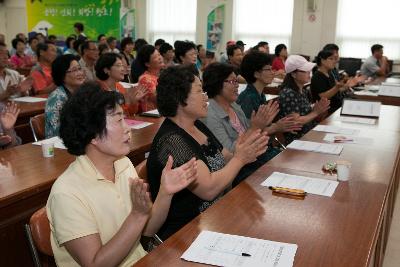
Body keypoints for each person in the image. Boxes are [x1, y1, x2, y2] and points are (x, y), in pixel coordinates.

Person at [47, 83, 198, 266]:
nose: (128, 129)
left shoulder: (123, 164)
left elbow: (147, 231)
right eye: (119, 121)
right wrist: (137, 214)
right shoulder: (66, 193)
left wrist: (166, 193)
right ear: (93, 135)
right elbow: (95, 263)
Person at [146, 65, 269, 240]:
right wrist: (240, 158)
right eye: (199, 92)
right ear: (180, 99)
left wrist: (242, 149)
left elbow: (224, 156)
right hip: (185, 232)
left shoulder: (196, 125)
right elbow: (209, 189)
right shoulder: (172, 141)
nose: (206, 98)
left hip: (214, 216)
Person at [202, 63, 301, 184]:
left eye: (237, 81)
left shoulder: (234, 105)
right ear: (217, 84)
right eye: (233, 82)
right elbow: (229, 155)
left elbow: (250, 134)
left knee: (293, 166)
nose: (238, 85)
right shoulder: (210, 115)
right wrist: (256, 127)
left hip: (253, 160)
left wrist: (265, 126)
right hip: (237, 172)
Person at [279, 55, 330, 144]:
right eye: (305, 71)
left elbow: (306, 114)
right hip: (297, 140)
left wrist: (318, 110)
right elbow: (296, 121)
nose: (309, 74)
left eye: (309, 71)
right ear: (293, 74)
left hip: (308, 134)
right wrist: (316, 112)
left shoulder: (303, 91)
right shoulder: (289, 93)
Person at [45, 55, 85, 138]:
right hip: (60, 145)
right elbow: (57, 131)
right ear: (62, 75)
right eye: (74, 70)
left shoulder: (83, 93)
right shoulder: (56, 98)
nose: (80, 73)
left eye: (79, 69)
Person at [136, 45, 165, 113]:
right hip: (152, 117)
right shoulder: (145, 79)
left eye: (159, 54)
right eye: (155, 57)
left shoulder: (162, 75)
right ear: (147, 64)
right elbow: (160, 99)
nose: (160, 58)